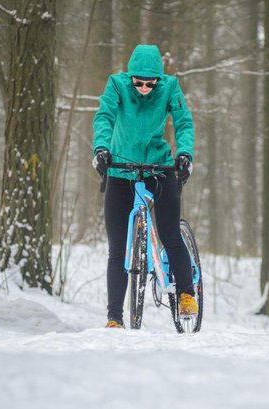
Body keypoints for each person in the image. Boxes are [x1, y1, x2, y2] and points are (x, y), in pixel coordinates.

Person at [92, 44, 198, 329]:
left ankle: (187, 294)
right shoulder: (116, 85)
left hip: (159, 167)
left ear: (158, 79)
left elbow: (183, 122)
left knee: (169, 233)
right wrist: (101, 148)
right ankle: (114, 316)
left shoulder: (170, 88)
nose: (143, 87)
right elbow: (104, 116)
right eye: (138, 82)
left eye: (149, 83)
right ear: (130, 77)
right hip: (120, 168)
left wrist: (185, 154)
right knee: (118, 248)